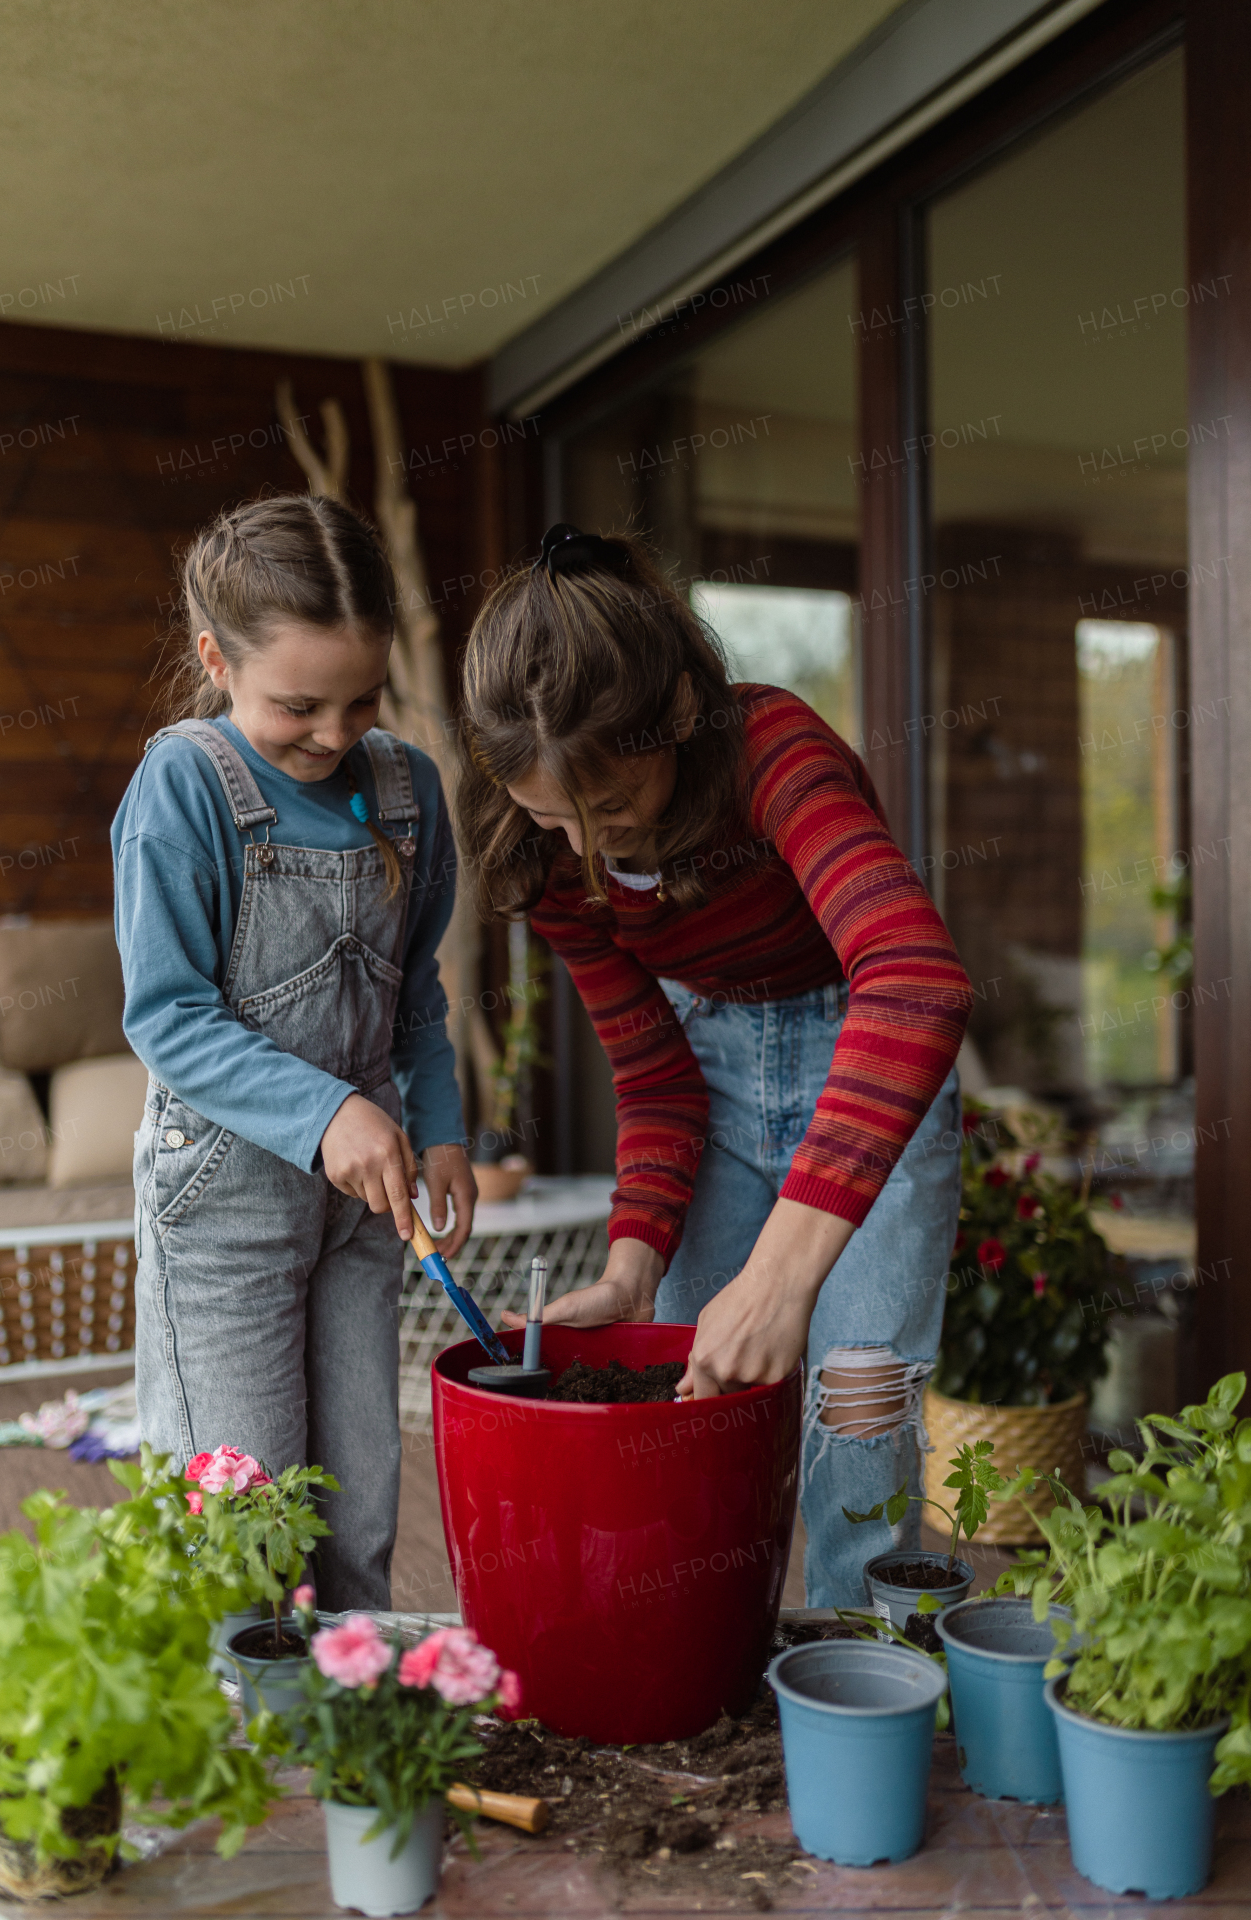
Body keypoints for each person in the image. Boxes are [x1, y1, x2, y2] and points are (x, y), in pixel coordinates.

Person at [455, 524, 971, 1606]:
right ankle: (707, 1657)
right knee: (688, 1401)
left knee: (853, 1398)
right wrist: (632, 1264)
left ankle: (858, 1670)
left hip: (863, 1066)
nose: (583, 847)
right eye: (554, 817)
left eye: (607, 810)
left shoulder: (771, 750)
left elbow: (914, 985)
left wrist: (780, 1275)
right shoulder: (545, 859)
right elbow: (653, 1079)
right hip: (717, 1077)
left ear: (678, 715)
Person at [113, 494, 476, 1610]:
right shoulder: (185, 789)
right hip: (224, 1203)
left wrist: (441, 1126)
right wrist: (326, 1113)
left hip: (364, 1203)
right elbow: (167, 1017)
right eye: (296, 705)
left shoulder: (408, 790)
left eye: (359, 698)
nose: (331, 733)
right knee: (240, 1506)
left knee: (359, 1497)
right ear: (217, 661)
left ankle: (350, 1734)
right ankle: (239, 1745)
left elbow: (414, 993)